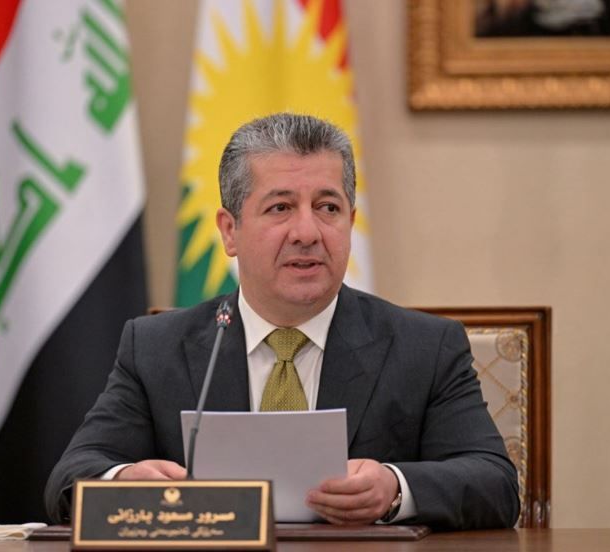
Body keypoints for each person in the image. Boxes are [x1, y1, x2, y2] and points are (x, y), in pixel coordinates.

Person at [45, 113, 519, 530]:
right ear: (230, 231)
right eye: (280, 208)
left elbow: (495, 484)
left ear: (350, 221)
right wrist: (124, 480)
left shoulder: (424, 347)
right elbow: (70, 478)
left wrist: (395, 488)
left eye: (328, 208)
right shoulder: (156, 348)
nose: (307, 232)